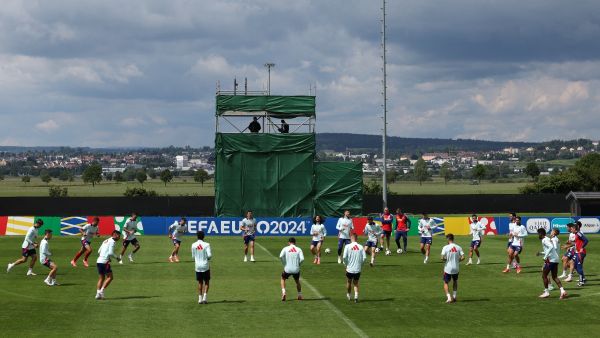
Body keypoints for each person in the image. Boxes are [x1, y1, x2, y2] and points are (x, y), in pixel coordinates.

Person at [536, 228, 568, 299]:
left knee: (544, 275)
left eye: (538, 234)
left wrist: (545, 256)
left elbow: (551, 247)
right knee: (554, 277)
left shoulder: (544, 240)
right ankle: (563, 291)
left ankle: (546, 292)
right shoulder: (547, 238)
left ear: (541, 234)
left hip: (551, 260)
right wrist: (541, 253)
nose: (538, 235)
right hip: (555, 259)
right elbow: (551, 249)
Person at [96, 230, 121, 300]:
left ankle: (98, 294)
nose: (119, 238)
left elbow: (99, 251)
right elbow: (110, 253)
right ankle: (101, 291)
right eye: (119, 236)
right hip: (105, 262)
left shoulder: (106, 240)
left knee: (101, 278)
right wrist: (117, 258)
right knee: (110, 277)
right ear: (115, 235)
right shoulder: (112, 242)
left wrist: (106, 256)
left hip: (99, 261)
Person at [441, 233, 465, 303]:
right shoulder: (458, 247)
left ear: (448, 239)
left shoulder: (445, 247)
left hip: (448, 268)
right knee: (455, 281)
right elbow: (463, 257)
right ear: (453, 239)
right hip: (456, 268)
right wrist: (458, 261)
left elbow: (442, 258)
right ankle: (454, 297)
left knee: (446, 282)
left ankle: (449, 297)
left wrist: (446, 260)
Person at [343, 233, 366, 303]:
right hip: (357, 269)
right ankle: (356, 296)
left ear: (351, 238)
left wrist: (346, 264)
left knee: (349, 282)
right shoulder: (361, 247)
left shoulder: (347, 246)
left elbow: (344, 257)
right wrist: (361, 265)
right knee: (356, 283)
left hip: (349, 269)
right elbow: (364, 258)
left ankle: (349, 294)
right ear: (357, 238)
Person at [279, 237, 304, 301]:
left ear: (289, 242)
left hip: (287, 269)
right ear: (295, 242)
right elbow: (302, 259)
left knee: (283, 278)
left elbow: (281, 256)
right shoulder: (299, 249)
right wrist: (299, 264)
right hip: (296, 269)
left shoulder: (285, 248)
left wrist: (284, 263)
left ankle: (284, 292)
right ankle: (299, 295)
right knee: (297, 281)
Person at [192, 230, 212, 304]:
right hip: (205, 265)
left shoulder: (193, 245)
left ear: (197, 236)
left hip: (197, 266)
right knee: (206, 281)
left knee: (200, 282)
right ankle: (204, 298)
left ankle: (199, 299)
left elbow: (193, 256)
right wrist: (206, 258)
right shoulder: (207, 244)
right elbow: (209, 255)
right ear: (204, 236)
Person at [569, 222, 588, 287]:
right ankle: (583, 279)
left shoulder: (579, 233)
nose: (571, 230)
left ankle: (581, 281)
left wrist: (582, 247)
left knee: (579, 267)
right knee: (574, 265)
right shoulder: (576, 234)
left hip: (581, 253)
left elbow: (586, 240)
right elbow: (577, 243)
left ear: (574, 229)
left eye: (571, 229)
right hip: (578, 253)